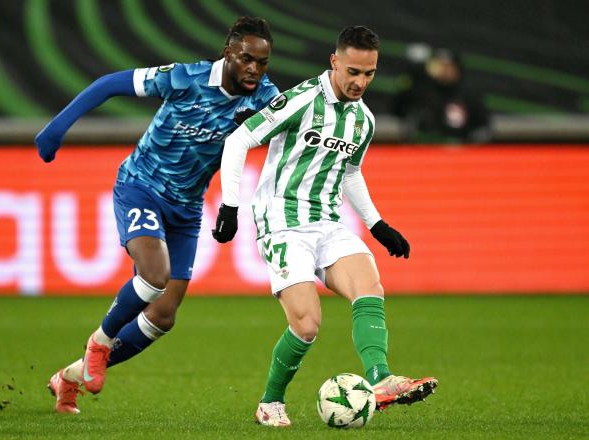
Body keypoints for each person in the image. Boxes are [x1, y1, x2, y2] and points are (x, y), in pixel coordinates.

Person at [35, 17, 279, 414]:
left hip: (186, 209)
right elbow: (109, 83)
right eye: (247, 59)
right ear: (228, 52)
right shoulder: (185, 78)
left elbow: (292, 136)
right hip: (140, 188)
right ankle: (100, 341)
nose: (254, 69)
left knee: (164, 314)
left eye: (262, 63)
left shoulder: (267, 99)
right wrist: (56, 128)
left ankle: (70, 376)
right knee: (153, 275)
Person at [213, 25, 437, 427]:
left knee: (369, 286)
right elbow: (238, 141)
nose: (360, 82)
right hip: (282, 222)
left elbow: (350, 172)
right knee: (306, 324)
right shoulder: (301, 100)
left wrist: (377, 224)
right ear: (334, 62)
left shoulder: (363, 120)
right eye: (353, 71)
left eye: (369, 73)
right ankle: (271, 402)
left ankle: (381, 379)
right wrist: (229, 205)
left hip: (327, 222)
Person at [392, 45, 491, 143]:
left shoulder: (469, 94)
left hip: (459, 150)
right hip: (426, 149)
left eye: (448, 66)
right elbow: (397, 109)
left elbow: (482, 124)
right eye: (440, 65)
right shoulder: (421, 91)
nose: (444, 70)